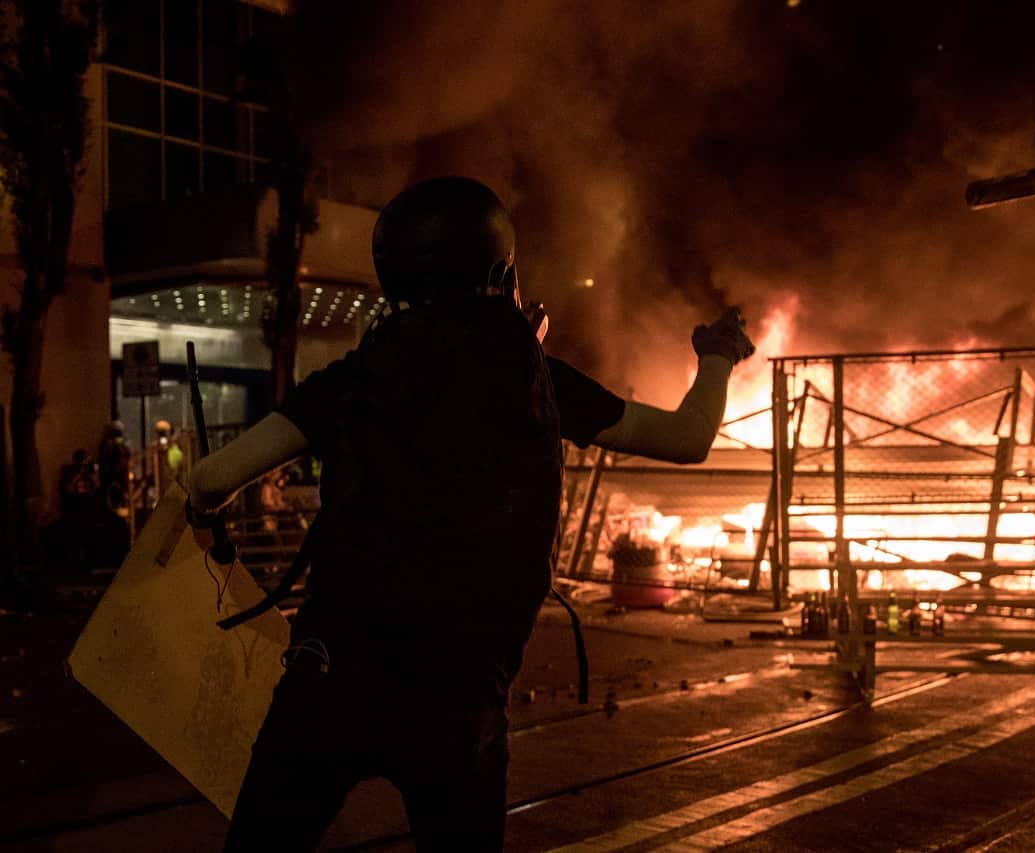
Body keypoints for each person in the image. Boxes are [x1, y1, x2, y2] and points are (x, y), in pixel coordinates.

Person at [187, 177, 755, 851]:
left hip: (330, 678)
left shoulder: (354, 379)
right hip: (457, 698)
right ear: (500, 269)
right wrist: (716, 357)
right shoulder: (536, 378)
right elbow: (687, 439)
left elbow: (210, 479)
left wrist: (202, 514)